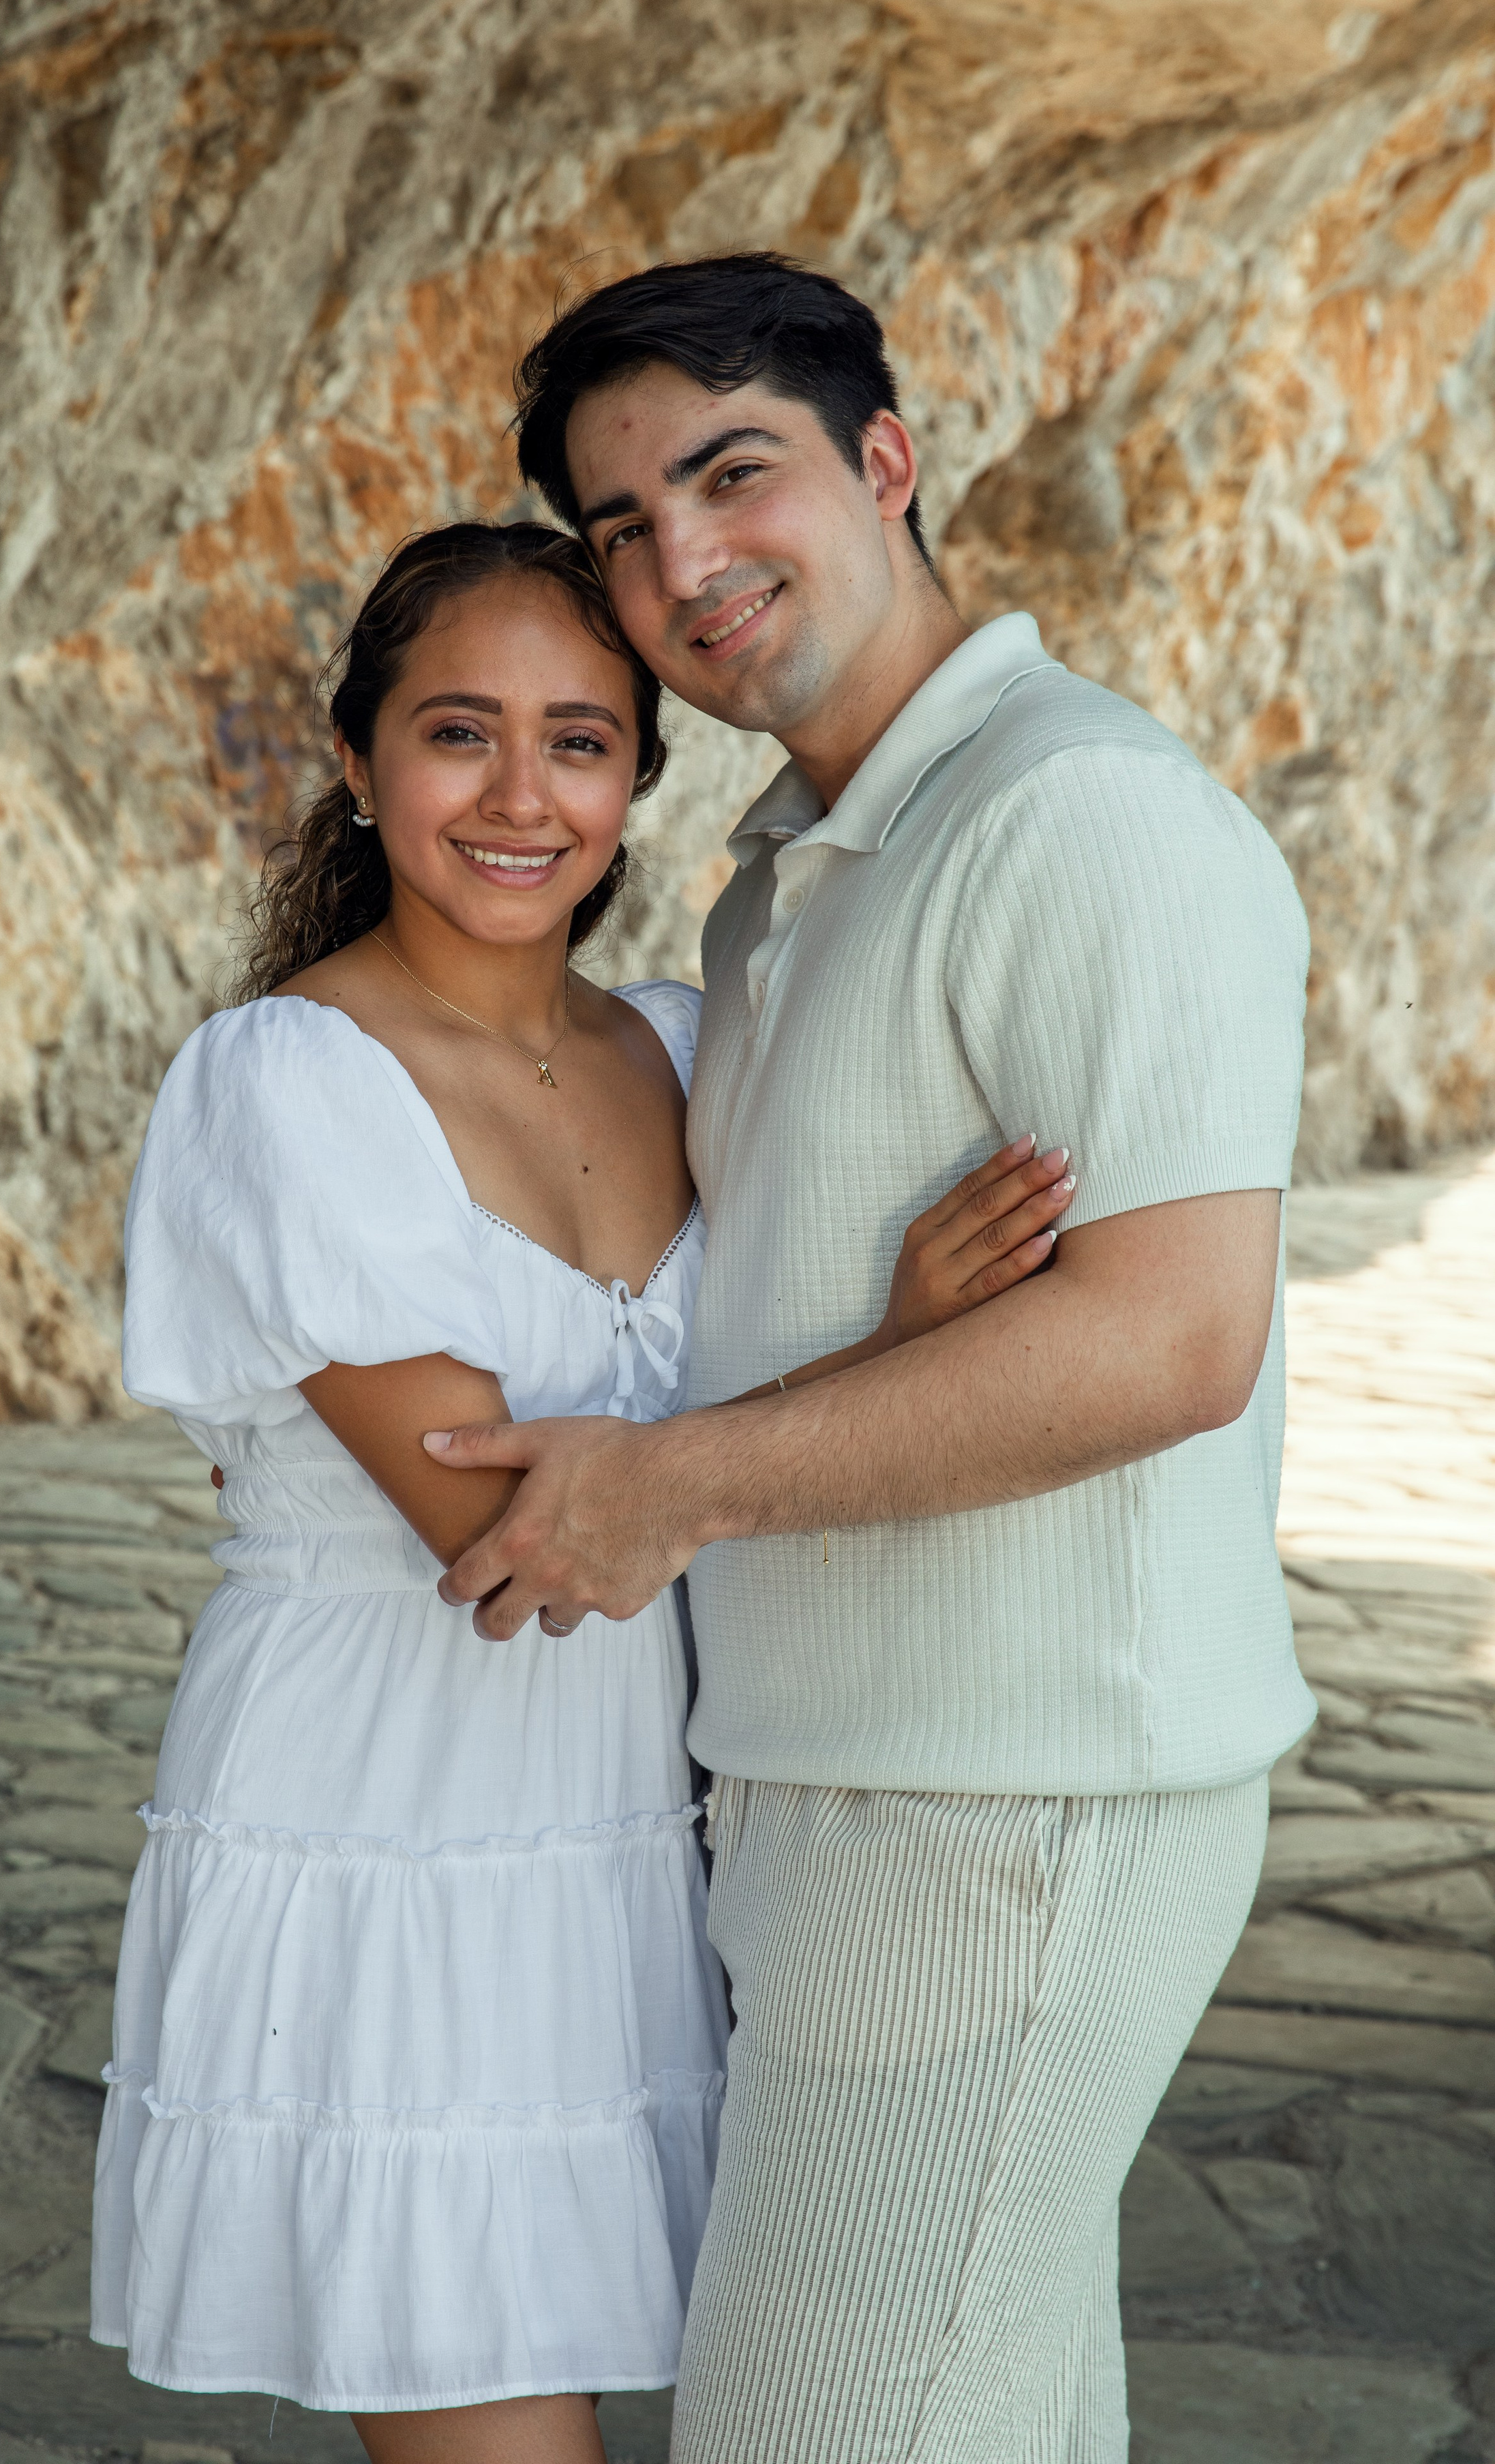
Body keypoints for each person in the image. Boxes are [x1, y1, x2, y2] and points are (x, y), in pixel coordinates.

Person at [425, 256, 1316, 2463]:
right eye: (621, 527)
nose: (681, 563)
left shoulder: (1077, 814)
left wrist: (673, 1484)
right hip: (857, 1782)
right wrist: (884, 1342)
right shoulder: (783, 880)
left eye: (733, 476)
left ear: (888, 466)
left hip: (1010, 1804)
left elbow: (1172, 1337)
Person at [89, 518, 1075, 2464]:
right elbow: (516, 1541)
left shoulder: (692, 1048)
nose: (522, 797)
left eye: (582, 741)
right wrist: (893, 1357)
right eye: (461, 735)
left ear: (642, 779)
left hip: (631, 1821)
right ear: (363, 762)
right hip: (397, 1821)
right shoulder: (285, 1080)